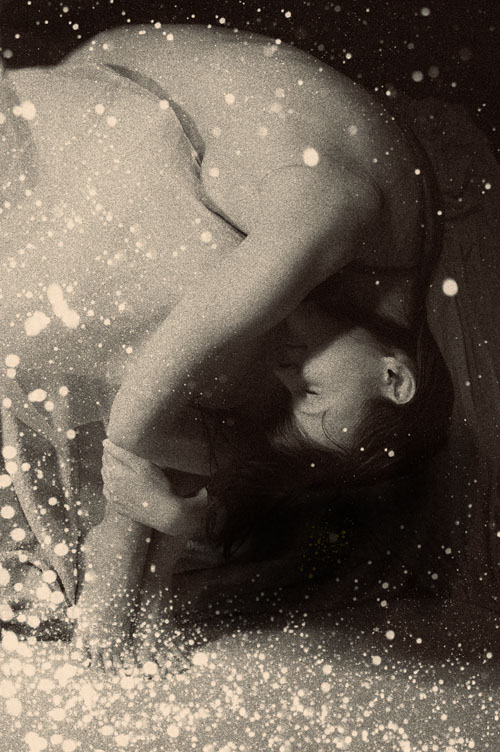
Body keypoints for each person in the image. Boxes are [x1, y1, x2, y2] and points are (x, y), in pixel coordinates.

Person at [0, 24, 456, 670]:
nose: (291, 373)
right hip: (79, 116)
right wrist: (146, 514)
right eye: (311, 389)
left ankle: (145, 569)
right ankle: (121, 552)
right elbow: (154, 392)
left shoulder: (369, 292)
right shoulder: (337, 210)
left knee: (239, 352)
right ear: (395, 377)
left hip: (112, 91)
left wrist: (173, 521)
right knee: (212, 330)